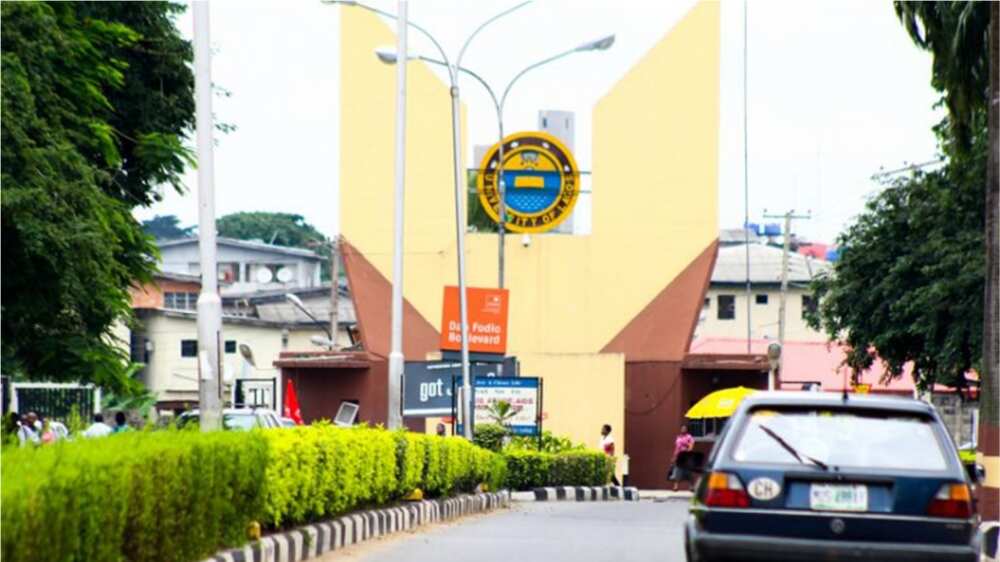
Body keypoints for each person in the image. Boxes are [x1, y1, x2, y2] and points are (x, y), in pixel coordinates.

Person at [669, 424, 695, 491]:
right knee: (677, 470)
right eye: (682, 428)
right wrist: (674, 457)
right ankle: (675, 487)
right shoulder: (678, 437)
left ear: (687, 430)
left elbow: (691, 446)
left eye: (685, 428)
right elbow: (677, 448)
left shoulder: (689, 437)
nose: (683, 429)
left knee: (689, 472)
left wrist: (686, 445)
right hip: (679, 456)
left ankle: (691, 486)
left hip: (686, 456)